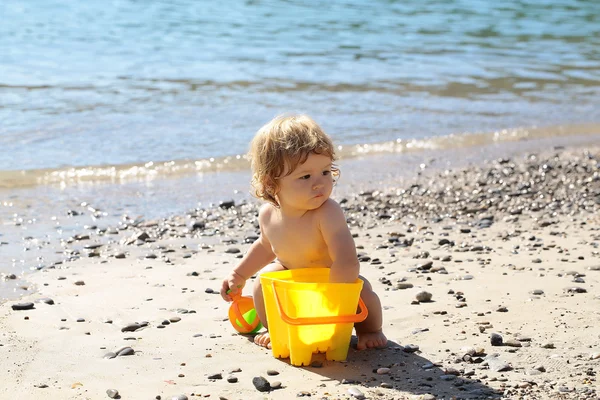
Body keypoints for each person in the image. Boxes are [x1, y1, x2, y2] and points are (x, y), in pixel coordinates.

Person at [220, 114, 387, 350]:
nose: (319, 183)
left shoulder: (328, 212)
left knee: (364, 293)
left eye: (326, 172)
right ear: (271, 183)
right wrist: (239, 274)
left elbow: (346, 259)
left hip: (331, 277)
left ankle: (370, 330)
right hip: (292, 274)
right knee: (262, 283)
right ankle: (275, 328)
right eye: (306, 176)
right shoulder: (268, 214)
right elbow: (266, 247)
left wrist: (337, 292)